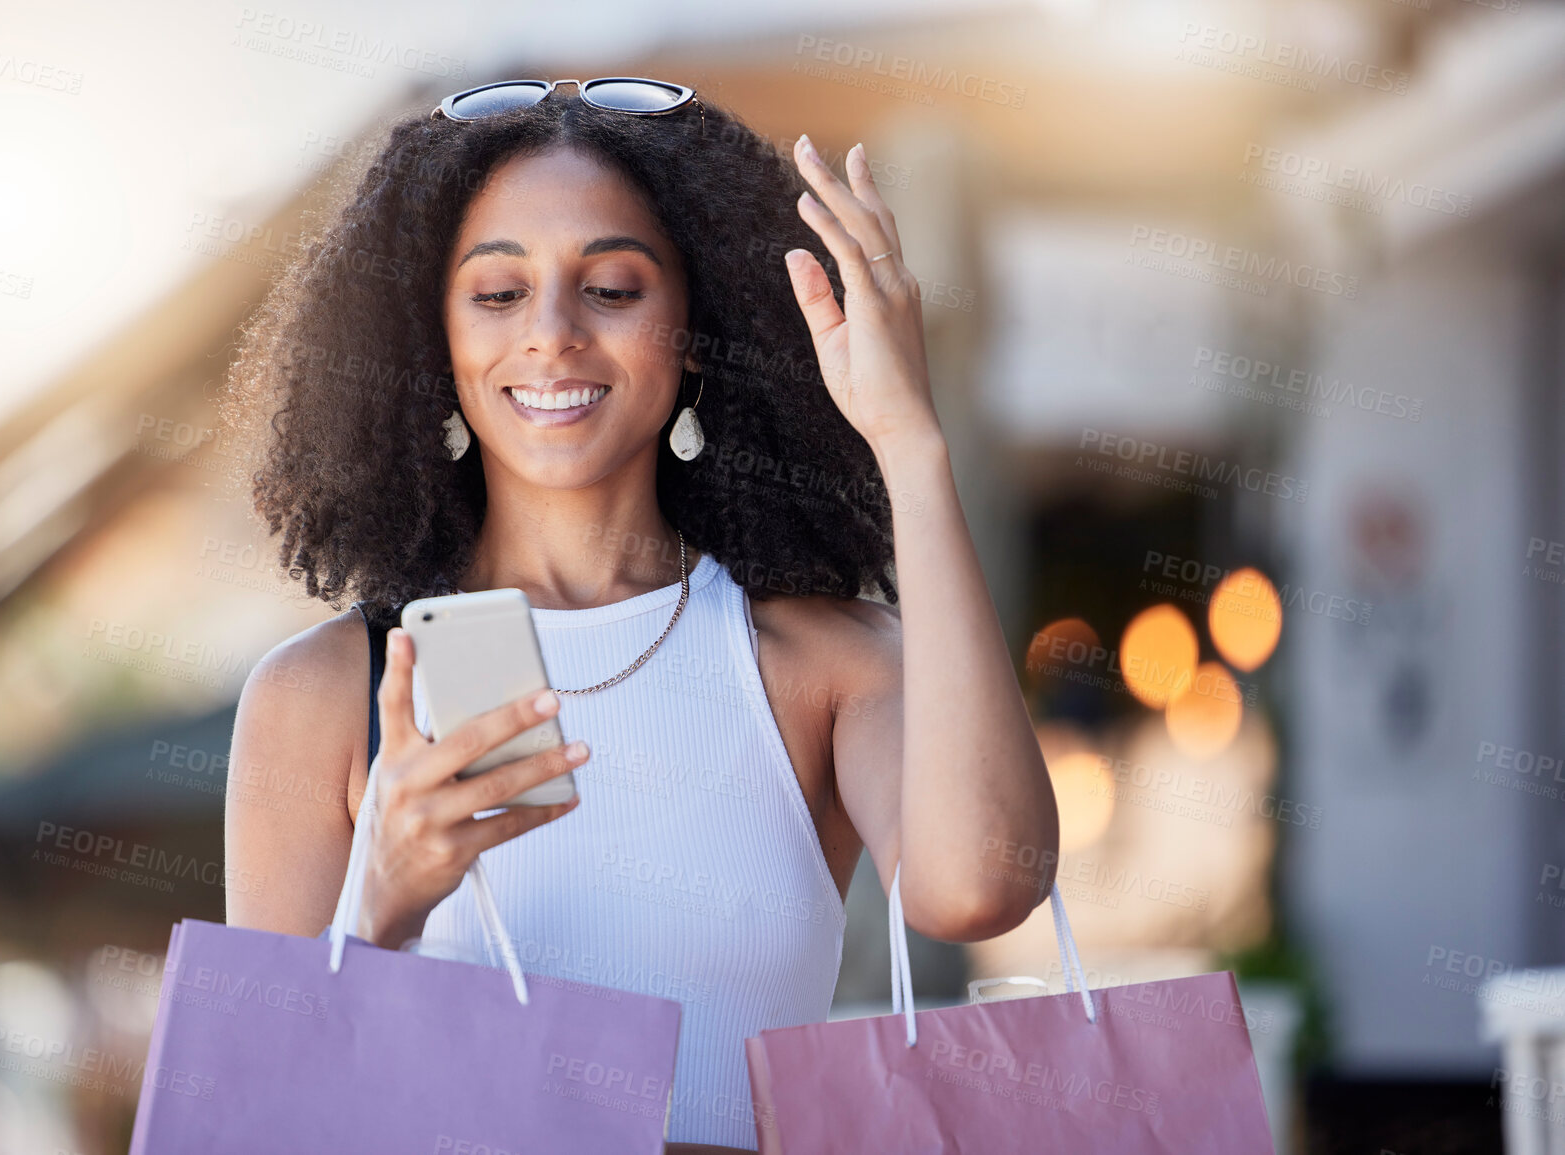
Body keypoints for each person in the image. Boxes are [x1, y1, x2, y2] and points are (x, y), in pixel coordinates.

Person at [220, 78, 1059, 1154]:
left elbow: (983, 885)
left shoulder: (820, 664)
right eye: (498, 294)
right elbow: (255, 1125)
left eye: (612, 288)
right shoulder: (329, 696)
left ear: (697, 333)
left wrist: (909, 443)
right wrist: (377, 911)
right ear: (432, 342)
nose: (554, 335)